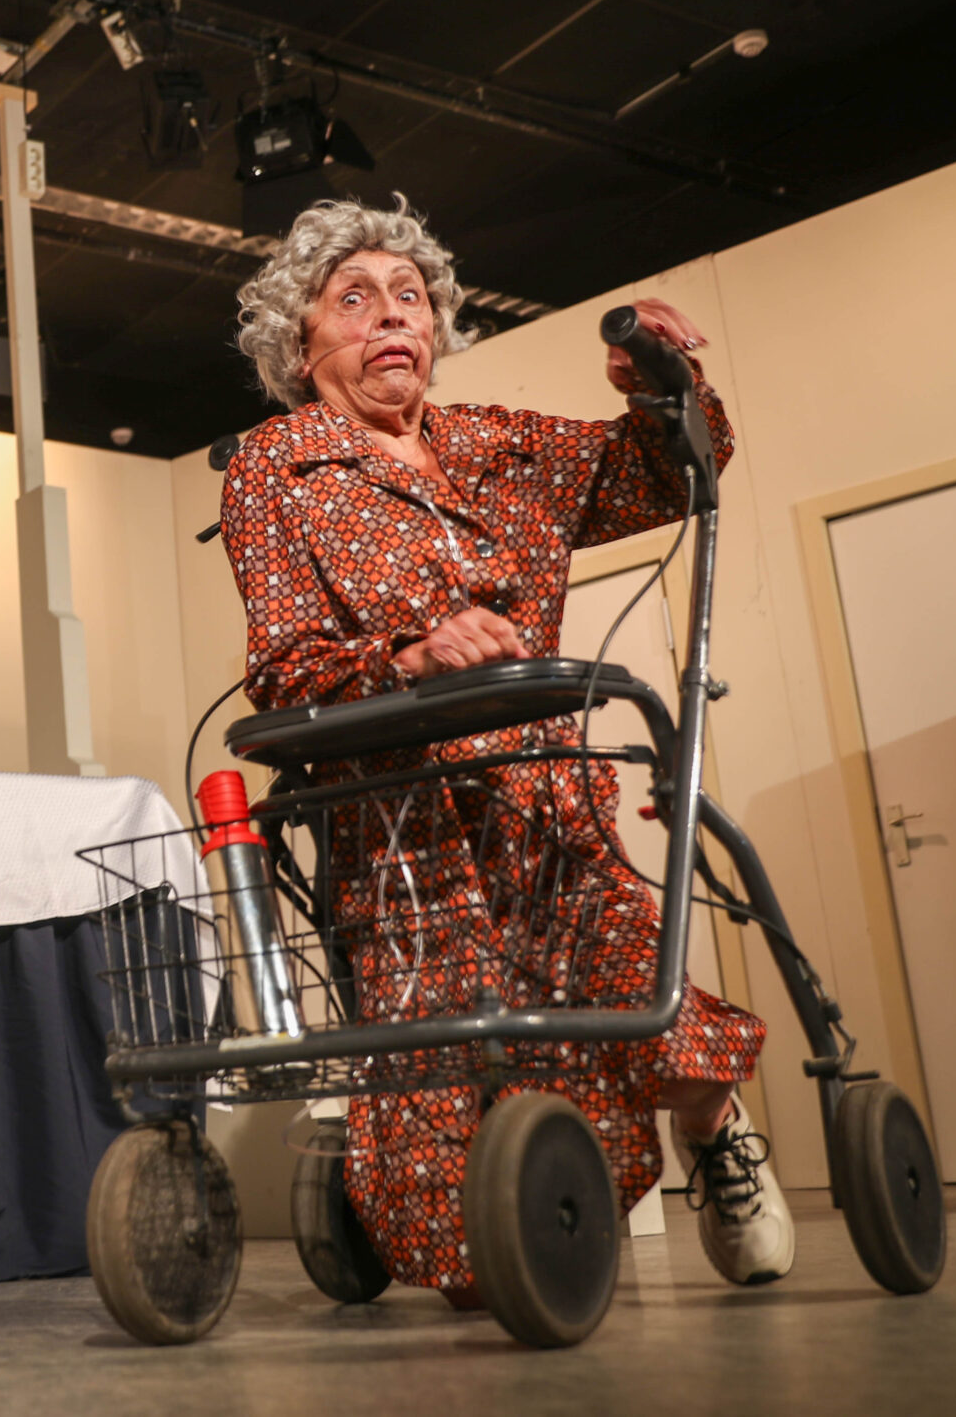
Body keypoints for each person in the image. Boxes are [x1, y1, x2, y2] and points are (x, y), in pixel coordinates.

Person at [219, 195, 792, 1298]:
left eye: (410, 296)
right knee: (450, 1117)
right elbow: (283, 667)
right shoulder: (275, 467)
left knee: (646, 1003)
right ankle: (511, 1228)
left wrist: (655, 383)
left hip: (542, 801)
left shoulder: (500, 442)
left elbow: (673, 471)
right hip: (403, 825)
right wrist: (408, 655)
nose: (394, 316)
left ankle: (715, 1132)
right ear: (300, 339)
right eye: (355, 299)